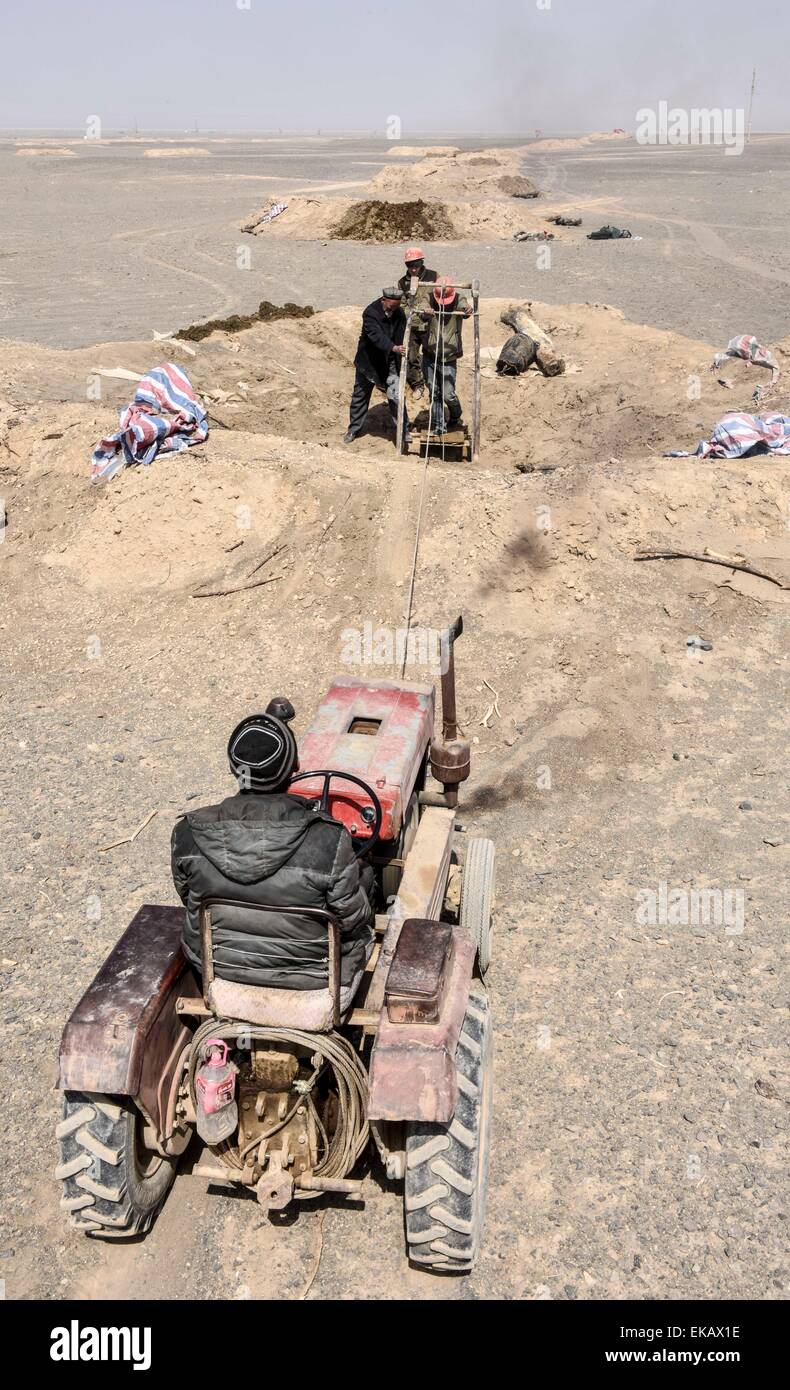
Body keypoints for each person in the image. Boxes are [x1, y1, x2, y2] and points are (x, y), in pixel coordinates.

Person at [171, 702, 375, 992]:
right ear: (294, 767)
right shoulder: (329, 840)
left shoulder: (187, 832)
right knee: (366, 881)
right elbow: (352, 918)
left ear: (234, 768)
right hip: (315, 978)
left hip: (218, 969)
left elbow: (186, 895)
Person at [344, 287, 411, 444]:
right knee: (360, 395)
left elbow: (401, 336)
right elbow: (376, 336)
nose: (393, 309)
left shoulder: (399, 313)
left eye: (396, 306)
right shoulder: (370, 313)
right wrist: (393, 347)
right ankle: (354, 429)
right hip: (369, 363)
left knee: (396, 396)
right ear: (383, 300)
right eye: (391, 306)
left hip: (389, 363)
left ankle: (403, 429)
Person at [418, 275, 473, 436]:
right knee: (434, 392)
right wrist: (426, 312)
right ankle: (439, 426)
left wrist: (466, 309)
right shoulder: (428, 297)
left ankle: (456, 414)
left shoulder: (458, 298)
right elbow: (422, 308)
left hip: (449, 357)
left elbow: (465, 307)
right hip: (430, 355)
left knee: (448, 394)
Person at [398, 247, 438, 392]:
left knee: (432, 356)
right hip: (413, 324)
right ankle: (417, 385)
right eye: (410, 266)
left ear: (421, 262)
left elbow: (441, 296)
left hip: (430, 324)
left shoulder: (434, 276)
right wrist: (413, 314)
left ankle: (433, 386)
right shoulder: (403, 283)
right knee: (411, 356)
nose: (413, 269)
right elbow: (402, 304)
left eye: (416, 265)